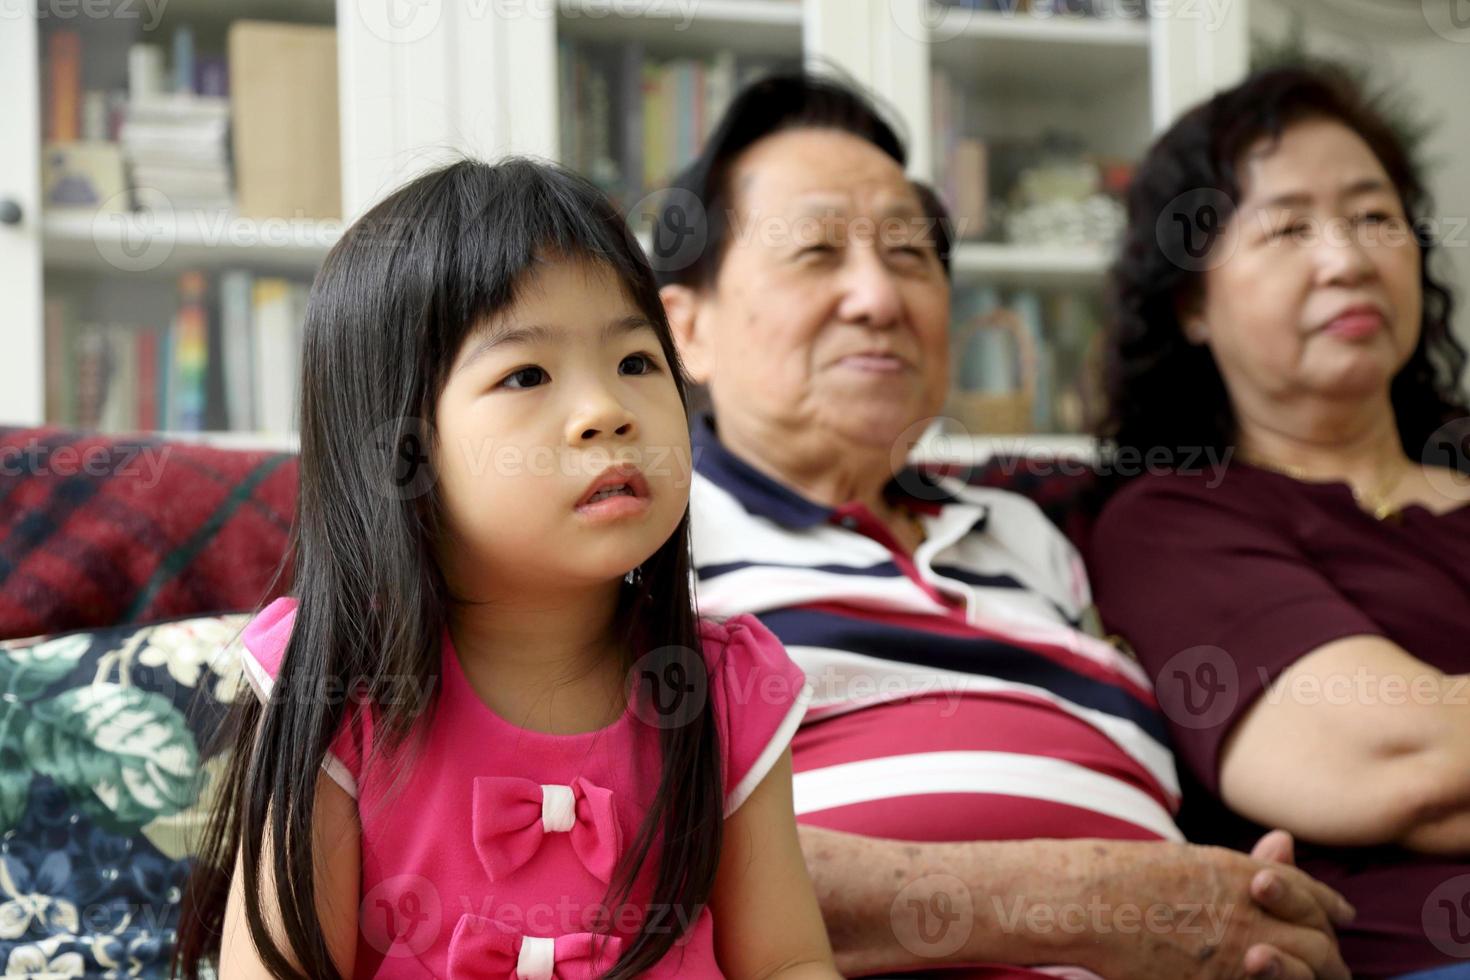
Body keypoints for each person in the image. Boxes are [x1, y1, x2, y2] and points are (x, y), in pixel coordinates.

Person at [654, 72, 1356, 980]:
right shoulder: (645, 541)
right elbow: (616, 864)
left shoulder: (1036, 538)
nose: (879, 298)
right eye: (817, 252)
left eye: (911, 254)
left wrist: (1258, 923)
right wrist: (1090, 906)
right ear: (687, 329)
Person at [173, 159, 841, 979]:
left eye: (636, 362)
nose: (607, 413)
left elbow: (785, 964)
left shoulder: (726, 687)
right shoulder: (337, 688)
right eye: (526, 375)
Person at [1090, 65, 1470, 979]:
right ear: (1190, 304)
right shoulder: (1172, 519)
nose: (1347, 259)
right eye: (1290, 226)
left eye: (1375, 217)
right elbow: (1395, 761)